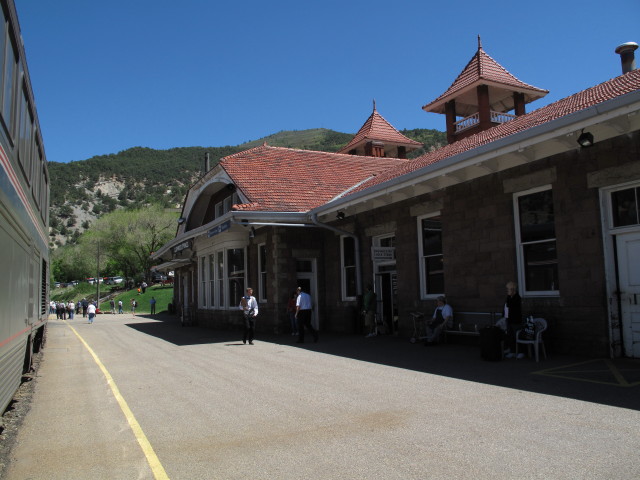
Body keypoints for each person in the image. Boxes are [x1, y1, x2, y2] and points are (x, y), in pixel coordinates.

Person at [500, 281, 524, 359]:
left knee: (517, 335)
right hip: (509, 320)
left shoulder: (517, 298)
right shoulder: (509, 297)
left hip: (515, 320)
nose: (507, 290)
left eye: (508, 289)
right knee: (510, 336)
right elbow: (506, 306)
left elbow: (512, 307)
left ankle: (521, 351)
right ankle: (512, 351)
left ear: (512, 289)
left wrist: (509, 298)